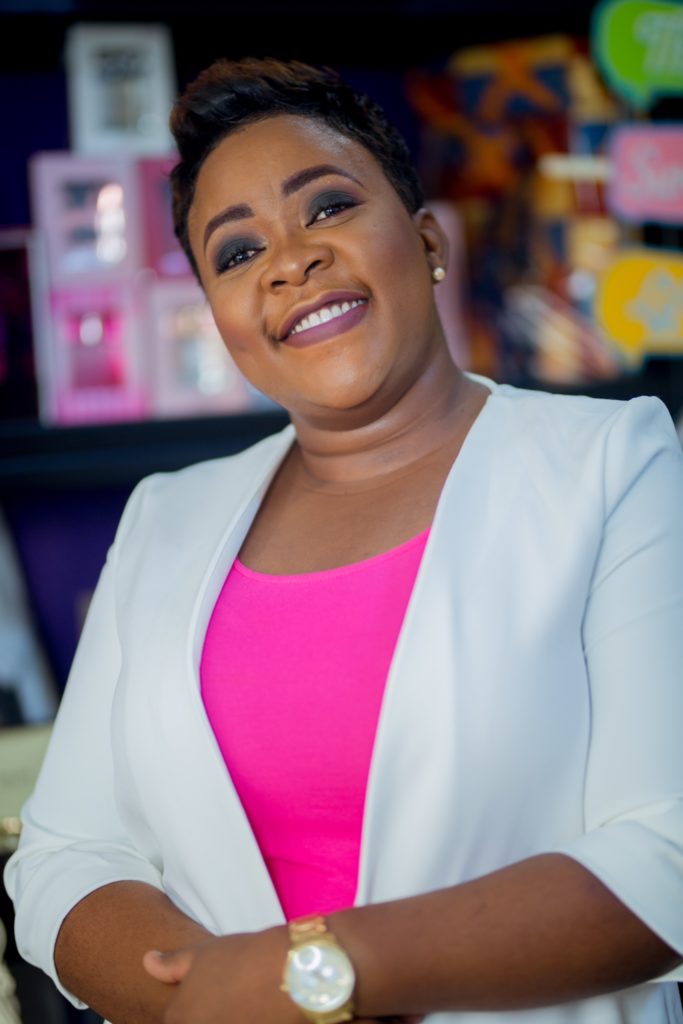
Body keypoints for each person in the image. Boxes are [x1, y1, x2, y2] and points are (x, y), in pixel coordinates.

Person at [4, 56, 683, 1024]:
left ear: (426, 240)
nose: (289, 261)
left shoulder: (611, 460)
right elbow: (66, 854)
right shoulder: (166, 515)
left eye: (326, 206)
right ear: (220, 319)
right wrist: (207, 1002)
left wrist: (310, 977)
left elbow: (666, 851)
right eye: (237, 252)